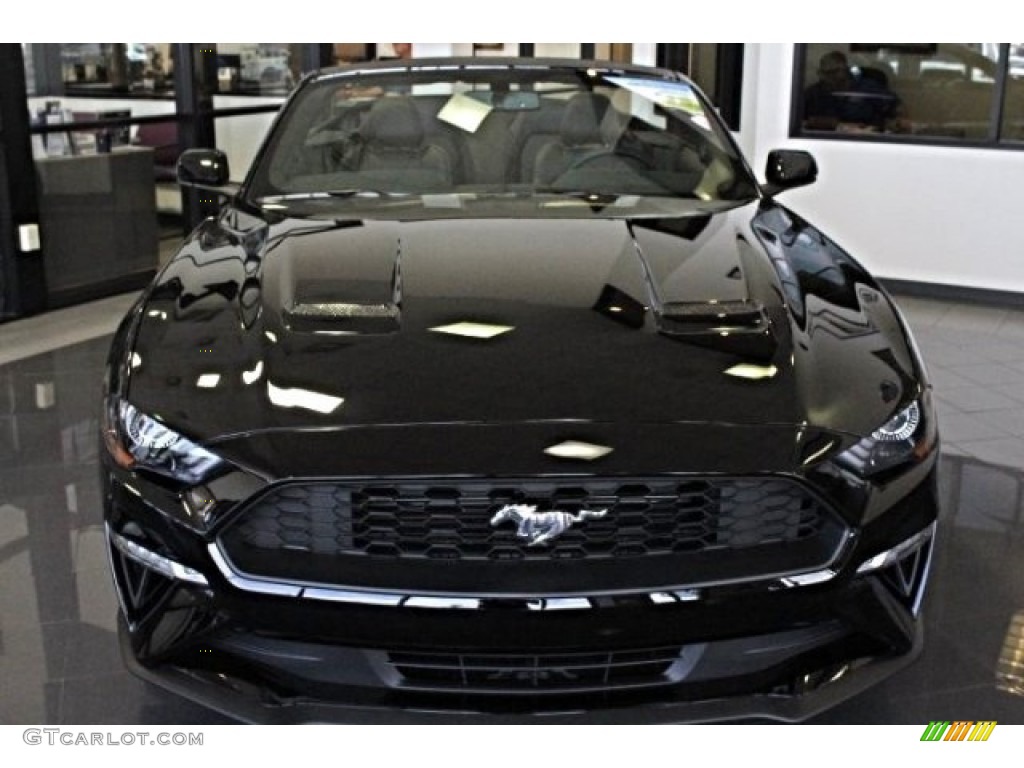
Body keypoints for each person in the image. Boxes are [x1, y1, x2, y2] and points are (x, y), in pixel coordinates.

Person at [803, 51, 902, 132]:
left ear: (846, 70)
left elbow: (898, 109)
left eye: (835, 71)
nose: (830, 77)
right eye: (825, 73)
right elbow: (798, 122)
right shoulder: (813, 93)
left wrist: (894, 124)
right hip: (827, 140)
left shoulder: (867, 87)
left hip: (867, 139)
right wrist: (831, 124)